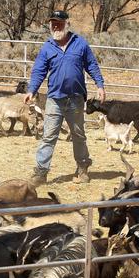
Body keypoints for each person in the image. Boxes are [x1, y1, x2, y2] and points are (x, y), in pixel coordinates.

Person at [24, 10, 106, 185]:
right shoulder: (47, 47)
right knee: (48, 136)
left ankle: (82, 168)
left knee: (78, 135)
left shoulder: (80, 44)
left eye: (59, 23)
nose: (55, 26)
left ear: (67, 24)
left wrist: (100, 85)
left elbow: (92, 65)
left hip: (75, 99)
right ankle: (41, 173)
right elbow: (39, 70)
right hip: (54, 99)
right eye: (53, 23)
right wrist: (32, 90)